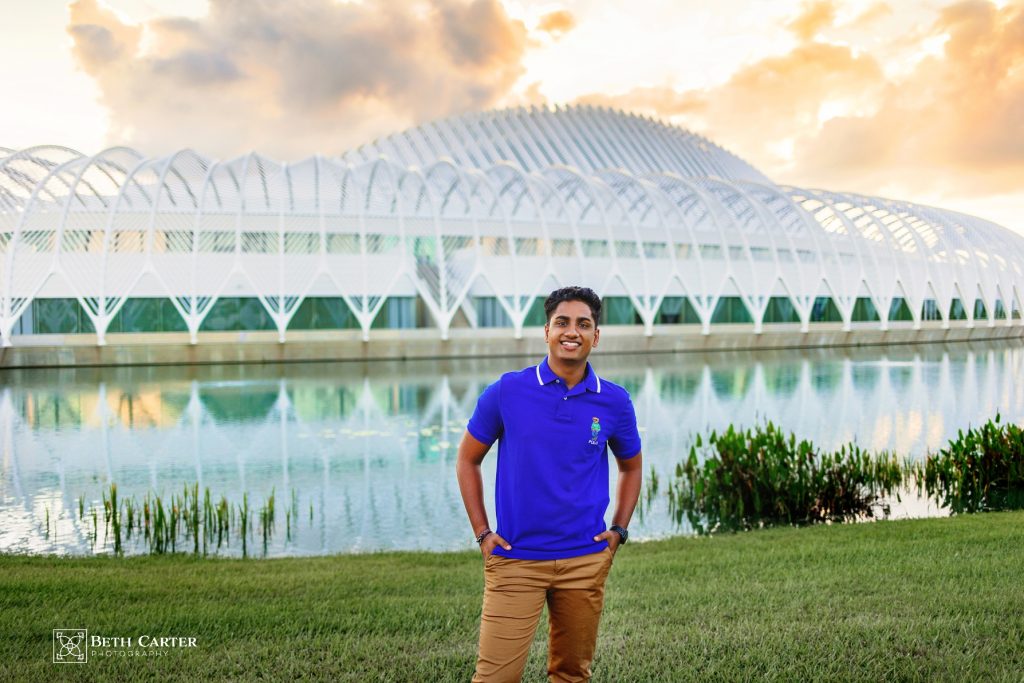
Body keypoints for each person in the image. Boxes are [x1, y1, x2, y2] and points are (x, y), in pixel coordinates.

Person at [456, 286, 644, 682]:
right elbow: (467, 460)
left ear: (596, 335)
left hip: (584, 560)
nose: (571, 331)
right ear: (546, 331)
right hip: (515, 559)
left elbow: (631, 467)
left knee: (572, 674)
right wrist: (483, 533)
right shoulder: (507, 391)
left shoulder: (614, 401)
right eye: (562, 322)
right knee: (495, 678)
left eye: (583, 323)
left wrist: (618, 531)